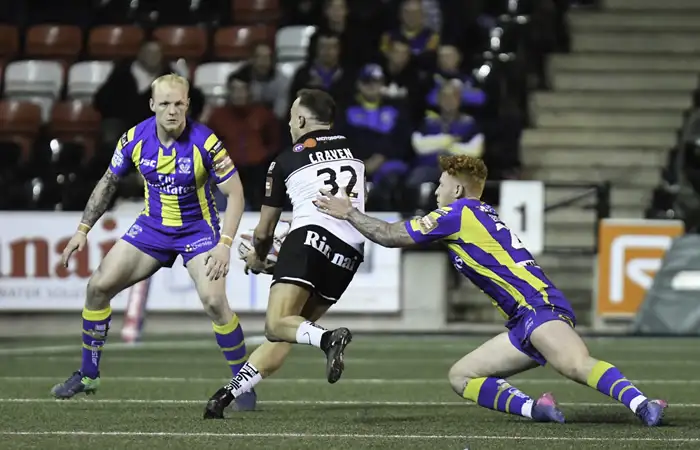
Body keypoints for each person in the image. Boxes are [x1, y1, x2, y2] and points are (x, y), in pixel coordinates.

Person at [313, 154, 668, 427]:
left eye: (440, 184)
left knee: (574, 365)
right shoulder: (477, 213)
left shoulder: (456, 213)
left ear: (457, 190)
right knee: (462, 376)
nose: (435, 191)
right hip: (523, 318)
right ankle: (538, 409)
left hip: (537, 307)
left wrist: (349, 212)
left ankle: (644, 405)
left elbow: (391, 235)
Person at [51, 74, 256, 412]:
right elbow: (108, 182)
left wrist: (224, 244)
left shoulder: (206, 142)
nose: (172, 111)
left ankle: (242, 384)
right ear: (152, 105)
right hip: (153, 228)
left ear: (188, 104)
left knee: (214, 302)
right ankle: (88, 375)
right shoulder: (134, 139)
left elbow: (235, 194)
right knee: (97, 287)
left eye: (178, 104)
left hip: (198, 231)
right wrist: (82, 229)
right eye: (164, 104)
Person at [203, 88, 365, 419]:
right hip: (349, 253)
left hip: (309, 238)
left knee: (276, 325)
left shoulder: (286, 159)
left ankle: (329, 339)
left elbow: (264, 231)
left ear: (301, 120)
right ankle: (227, 395)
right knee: (290, 330)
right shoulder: (355, 153)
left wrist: (257, 257)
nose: (289, 123)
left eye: (292, 116)